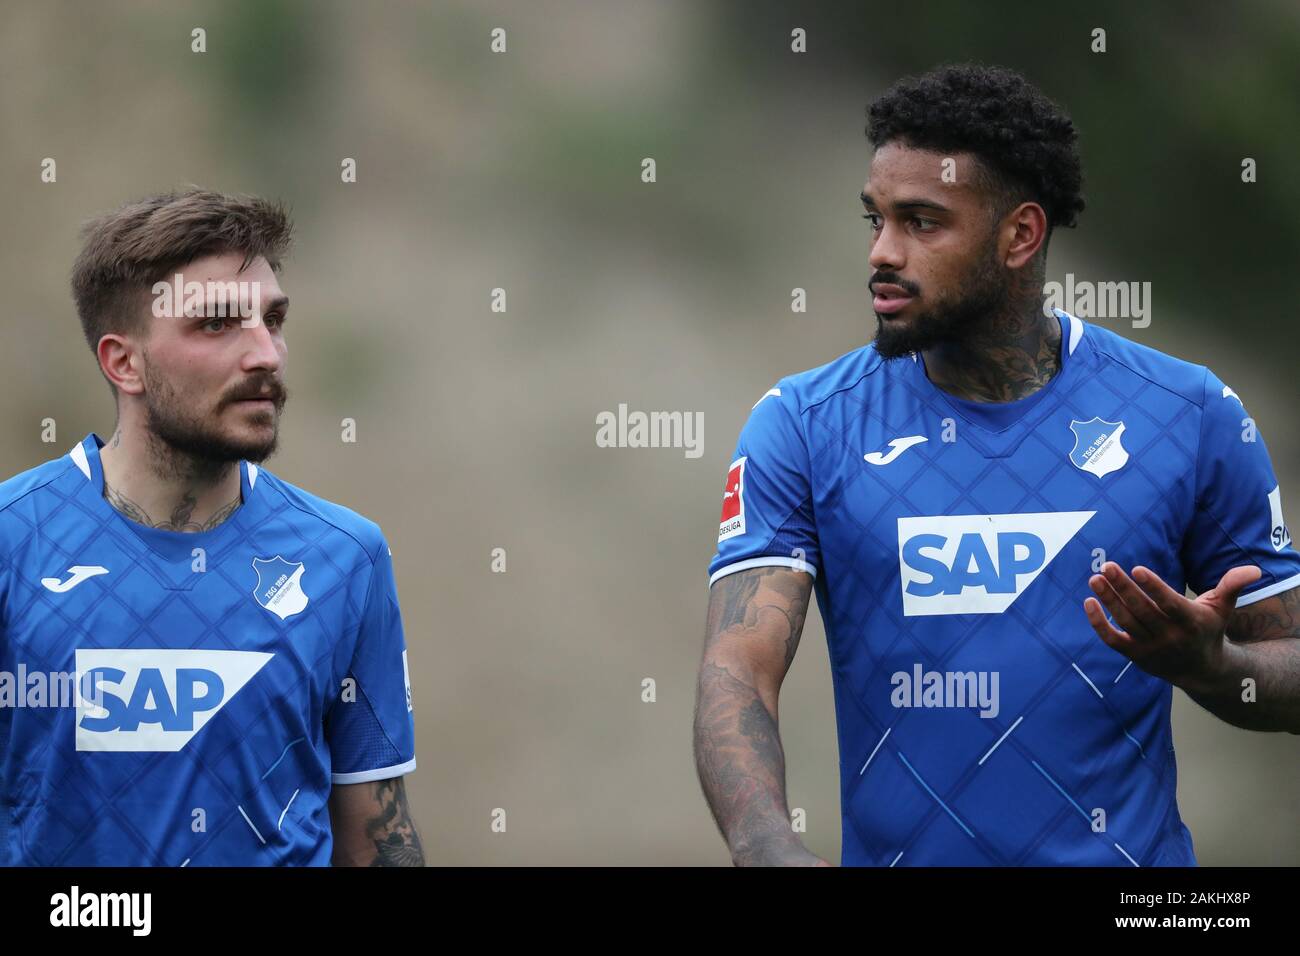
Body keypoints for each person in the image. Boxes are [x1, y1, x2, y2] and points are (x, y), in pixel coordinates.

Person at [694, 64, 1300, 866]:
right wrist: (766, 844)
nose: (882, 252)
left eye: (922, 222)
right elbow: (737, 670)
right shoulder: (804, 426)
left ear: (1020, 235)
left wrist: (1215, 666)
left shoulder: (1188, 415)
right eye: (874, 219)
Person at [0, 189, 423, 865]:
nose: (267, 355)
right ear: (124, 362)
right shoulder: (13, 543)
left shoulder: (346, 558)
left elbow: (381, 844)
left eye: (273, 320)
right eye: (219, 325)